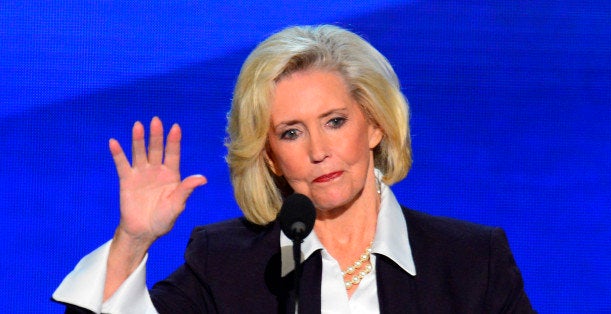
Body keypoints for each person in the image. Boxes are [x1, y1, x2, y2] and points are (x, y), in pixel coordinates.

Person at [53, 25, 535, 313]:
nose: (318, 150)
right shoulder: (225, 263)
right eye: (290, 132)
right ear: (269, 157)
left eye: (335, 121)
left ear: (374, 125)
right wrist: (133, 240)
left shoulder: (472, 261)